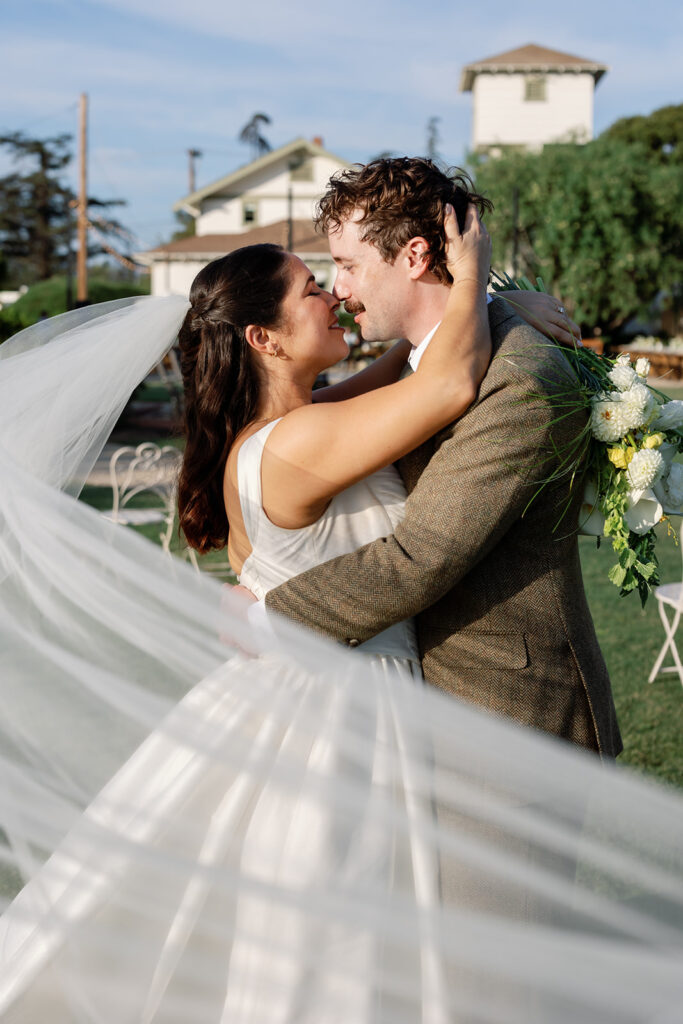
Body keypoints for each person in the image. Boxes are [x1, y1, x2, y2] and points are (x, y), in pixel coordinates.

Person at [0, 185, 682, 1023]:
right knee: (339, 945)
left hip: (364, 695)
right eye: (313, 288)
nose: (335, 290)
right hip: (341, 708)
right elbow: (439, 398)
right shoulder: (302, 439)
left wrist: (498, 304)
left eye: (341, 270)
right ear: (263, 338)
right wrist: (473, 279)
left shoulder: (312, 412)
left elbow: (410, 365)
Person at [260, 157, 621, 759]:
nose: (339, 289)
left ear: (415, 256)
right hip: (422, 709)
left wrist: (264, 618)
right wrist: (489, 300)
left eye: (348, 265)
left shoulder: (519, 380)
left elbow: (420, 556)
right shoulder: (415, 363)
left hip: (512, 715)